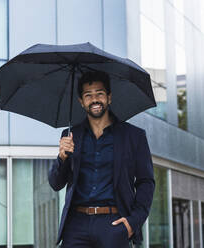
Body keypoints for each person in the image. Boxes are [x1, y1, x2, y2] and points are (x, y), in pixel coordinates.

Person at [48, 71, 155, 248]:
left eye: (100, 94)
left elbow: (146, 182)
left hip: (114, 224)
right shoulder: (71, 136)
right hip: (76, 226)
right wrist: (62, 157)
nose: (94, 99)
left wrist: (133, 222)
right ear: (81, 102)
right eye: (88, 95)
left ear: (109, 97)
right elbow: (55, 183)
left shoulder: (134, 136)